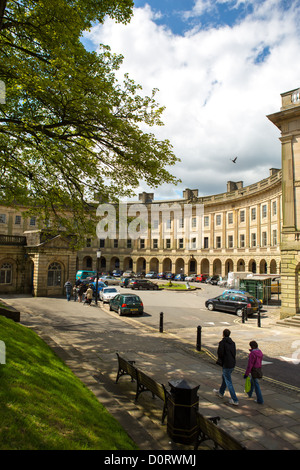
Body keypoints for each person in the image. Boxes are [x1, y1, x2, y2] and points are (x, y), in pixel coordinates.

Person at [213, 329, 239, 405]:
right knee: (225, 377)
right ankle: (221, 392)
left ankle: (235, 400)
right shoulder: (233, 343)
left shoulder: (222, 343)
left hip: (226, 364)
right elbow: (234, 353)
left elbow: (220, 353)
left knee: (228, 382)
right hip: (232, 363)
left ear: (223, 334)